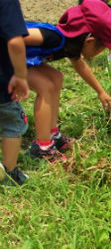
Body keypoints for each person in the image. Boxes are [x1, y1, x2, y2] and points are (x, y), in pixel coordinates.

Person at [24, 0, 111, 161]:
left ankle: (52, 134)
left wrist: (101, 92)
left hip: (20, 59)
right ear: (89, 41)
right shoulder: (52, 37)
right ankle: (42, 148)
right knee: (45, 86)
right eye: (102, 47)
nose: (101, 52)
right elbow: (14, 36)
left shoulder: (70, 45)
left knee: (56, 77)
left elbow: (81, 67)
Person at [0, 0, 29, 186]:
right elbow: (15, 42)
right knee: (13, 122)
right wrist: (21, 76)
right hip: (2, 81)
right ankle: (9, 174)